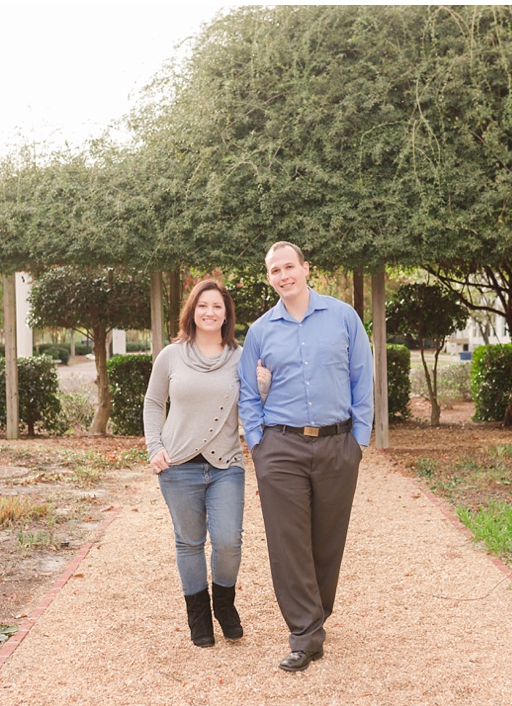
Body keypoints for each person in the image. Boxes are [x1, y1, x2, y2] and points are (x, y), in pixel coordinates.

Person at [238, 242, 374, 671]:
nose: (283, 275)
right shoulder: (261, 331)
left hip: (338, 444)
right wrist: (259, 445)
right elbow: (247, 392)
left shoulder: (343, 317)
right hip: (280, 448)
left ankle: (317, 617)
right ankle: (305, 634)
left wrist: (359, 440)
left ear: (305, 268)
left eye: (289, 267)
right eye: (275, 270)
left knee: (327, 538)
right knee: (288, 539)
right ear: (269, 277)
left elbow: (362, 376)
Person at [143, 279, 246, 649]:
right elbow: (154, 403)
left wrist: (264, 384)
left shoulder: (240, 356)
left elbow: (255, 398)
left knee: (228, 541)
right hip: (179, 466)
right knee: (189, 542)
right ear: (192, 310)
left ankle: (224, 605)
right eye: (203, 305)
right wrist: (154, 446)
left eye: (217, 306)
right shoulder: (171, 356)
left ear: (226, 314)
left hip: (226, 465)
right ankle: (198, 617)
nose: (210, 312)